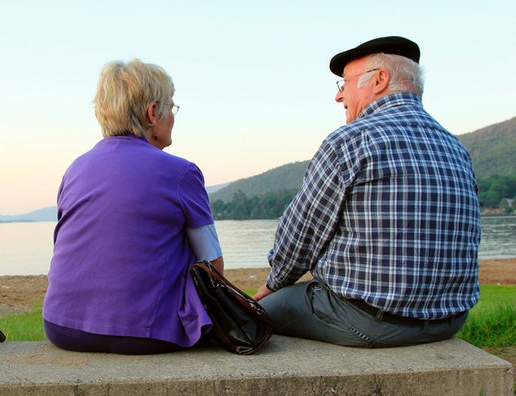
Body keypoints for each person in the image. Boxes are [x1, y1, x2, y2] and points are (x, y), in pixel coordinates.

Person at [253, 36, 481, 347]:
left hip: (370, 321)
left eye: (343, 84)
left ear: (379, 80)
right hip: (449, 320)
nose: (339, 97)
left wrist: (273, 284)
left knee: (250, 316)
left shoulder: (349, 140)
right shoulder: (455, 147)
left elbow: (301, 234)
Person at [42, 59, 224, 354]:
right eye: (172, 107)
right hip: (144, 333)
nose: (173, 116)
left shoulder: (75, 168)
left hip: (62, 327)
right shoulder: (182, 172)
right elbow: (212, 265)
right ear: (153, 112)